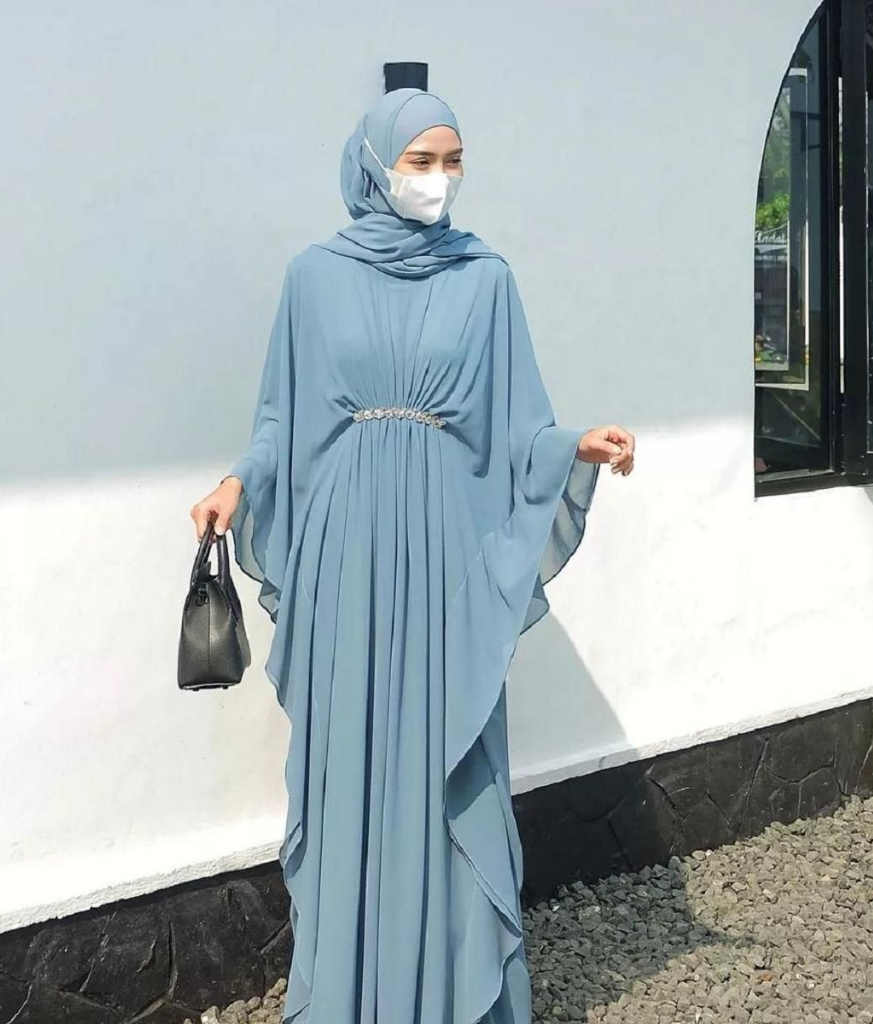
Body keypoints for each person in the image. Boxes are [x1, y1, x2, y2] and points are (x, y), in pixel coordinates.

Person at [189, 87, 635, 1024]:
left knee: (446, 752)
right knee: (351, 751)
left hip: (441, 555)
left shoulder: (486, 279)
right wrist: (237, 484)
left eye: (452, 161)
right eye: (420, 161)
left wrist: (574, 448)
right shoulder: (313, 278)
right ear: (375, 164)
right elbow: (281, 420)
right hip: (346, 551)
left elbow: (518, 423)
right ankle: (353, 990)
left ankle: (451, 989)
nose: (438, 179)